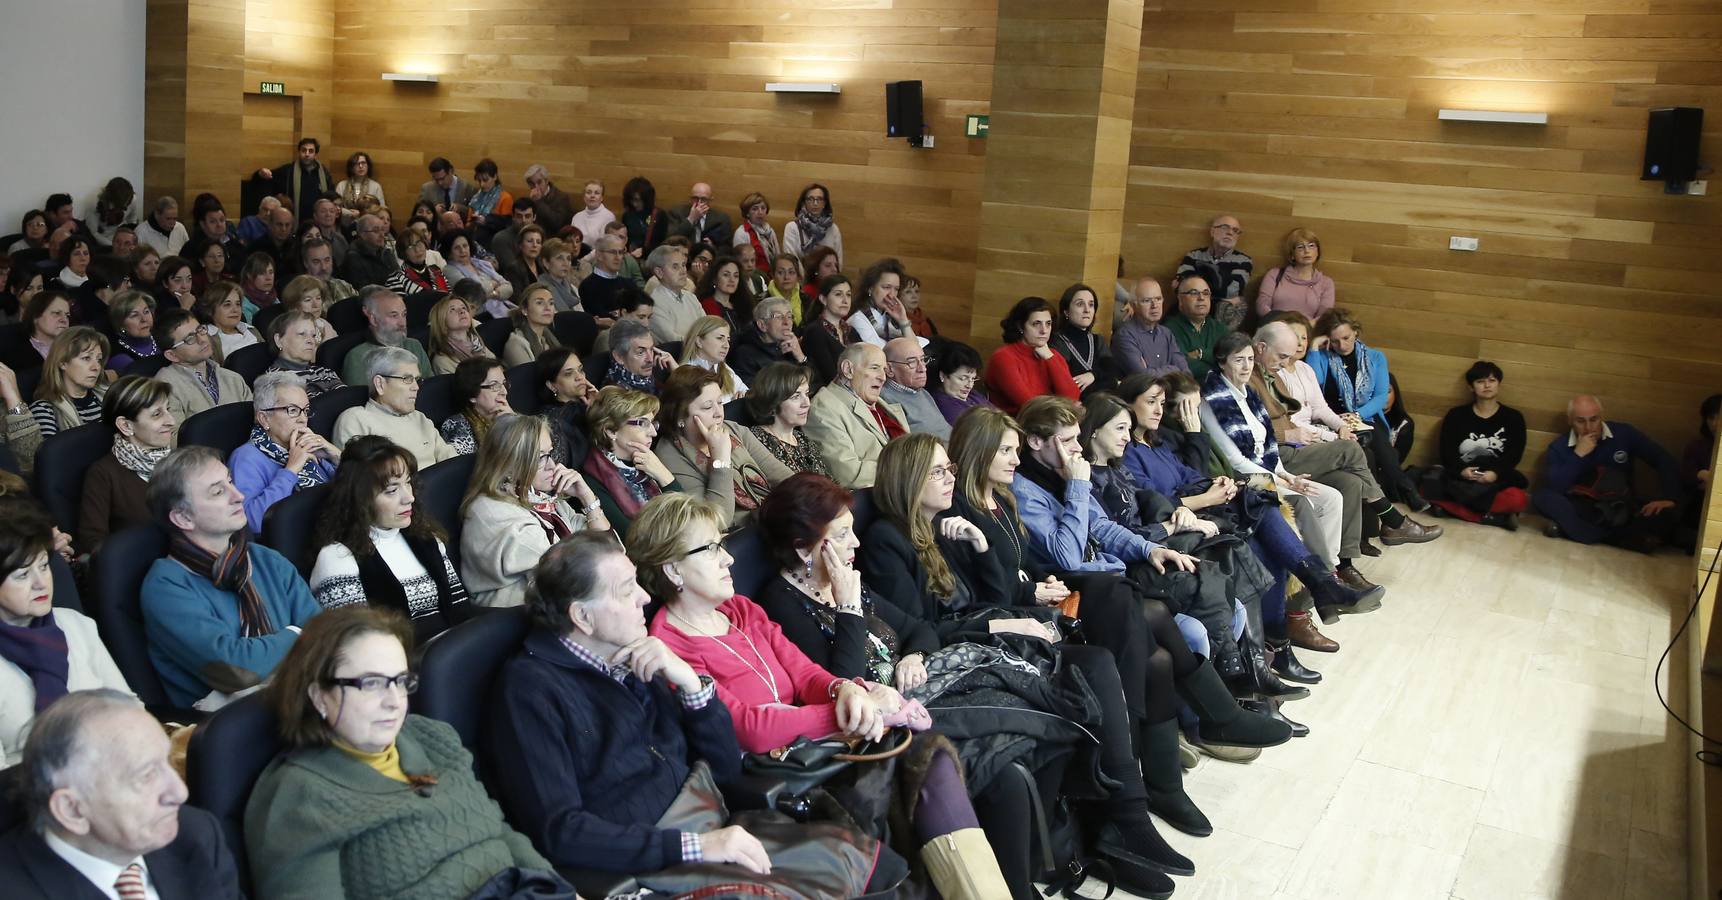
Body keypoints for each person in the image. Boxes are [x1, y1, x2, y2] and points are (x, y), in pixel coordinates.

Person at [485, 534, 904, 896]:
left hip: (713, 824)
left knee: (873, 864)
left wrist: (692, 687)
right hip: (653, 863)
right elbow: (561, 831)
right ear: (582, 616)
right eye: (627, 589)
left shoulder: (637, 656)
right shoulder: (529, 690)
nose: (644, 598)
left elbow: (722, 770)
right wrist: (693, 847)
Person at [636, 494, 1010, 899]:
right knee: (916, 770)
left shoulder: (741, 611)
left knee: (931, 756)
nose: (728, 560)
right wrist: (849, 712)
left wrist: (845, 688)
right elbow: (748, 728)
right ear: (672, 568)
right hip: (778, 777)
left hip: (815, 748)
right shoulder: (669, 646)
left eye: (723, 545)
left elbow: (804, 673)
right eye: (710, 550)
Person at [245, 606, 558, 900]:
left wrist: (558, 889)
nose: (394, 701)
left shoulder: (433, 737)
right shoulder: (300, 797)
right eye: (371, 683)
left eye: (400, 681)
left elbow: (498, 831)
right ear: (319, 696)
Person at [1115, 374, 1380, 657]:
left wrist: (1220, 484)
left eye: (1162, 403)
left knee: (1263, 517)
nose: (1158, 410)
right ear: (1129, 405)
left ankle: (1286, 633)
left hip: (1205, 510)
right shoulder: (1127, 451)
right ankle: (1315, 595)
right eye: (1151, 402)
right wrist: (1206, 497)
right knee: (1262, 522)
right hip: (1179, 528)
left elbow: (1190, 475)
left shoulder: (1157, 443)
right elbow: (1150, 503)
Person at [1205, 330, 1438, 593]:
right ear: (1222, 362)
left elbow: (1273, 438)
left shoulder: (1252, 391)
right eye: (1239, 360)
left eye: (1249, 359)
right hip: (1258, 474)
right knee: (1351, 451)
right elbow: (1238, 458)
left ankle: (1338, 568)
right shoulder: (1214, 400)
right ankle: (1386, 523)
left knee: (1346, 486)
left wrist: (1297, 465)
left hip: (1280, 462)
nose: (1247, 366)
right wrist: (1282, 477)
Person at [1, 690, 242, 900]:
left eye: (166, 761)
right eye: (146, 775)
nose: (180, 792)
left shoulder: (196, 834)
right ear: (72, 810)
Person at [141, 446, 320, 709]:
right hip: (227, 729)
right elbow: (237, 669)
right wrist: (296, 633)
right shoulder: (166, 587)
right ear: (183, 517)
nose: (238, 496)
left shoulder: (266, 560)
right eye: (217, 491)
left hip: (300, 703)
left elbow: (325, 635)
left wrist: (281, 649)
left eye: (231, 482)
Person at [0, 508, 134, 764]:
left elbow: (127, 707)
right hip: (33, 793)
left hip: (112, 767)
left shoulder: (75, 624)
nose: (41, 583)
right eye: (23, 575)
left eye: (43, 566)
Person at [307, 438, 471, 643]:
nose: (409, 497)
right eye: (392, 490)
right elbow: (357, 646)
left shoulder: (426, 538)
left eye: (408, 482)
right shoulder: (337, 559)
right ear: (361, 500)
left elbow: (461, 610)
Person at [462, 414, 608, 607]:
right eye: (540, 458)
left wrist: (587, 497)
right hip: (515, 619)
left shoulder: (539, 496)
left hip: (561, 601)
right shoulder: (492, 513)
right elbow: (572, 575)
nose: (552, 466)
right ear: (508, 465)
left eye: (550, 454)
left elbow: (609, 548)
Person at [1308, 308, 1427, 508]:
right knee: (1367, 455)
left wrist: (1356, 415)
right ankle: (1401, 492)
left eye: (1346, 338)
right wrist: (1313, 347)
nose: (1342, 345)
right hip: (1331, 417)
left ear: (1356, 332)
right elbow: (1314, 381)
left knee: (1377, 438)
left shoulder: (1375, 357)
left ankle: (1405, 489)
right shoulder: (1322, 356)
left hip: (1366, 415)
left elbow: (1381, 396)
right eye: (1335, 341)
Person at [1536, 394, 1684, 551]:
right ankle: (1617, 538)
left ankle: (1574, 531)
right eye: (1580, 421)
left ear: (1602, 417)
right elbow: (1556, 487)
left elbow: (1663, 459)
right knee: (1543, 497)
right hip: (1583, 508)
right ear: (1570, 421)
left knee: (1665, 516)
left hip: (1620, 507)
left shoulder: (1624, 434)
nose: (1588, 427)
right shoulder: (1559, 447)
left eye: (1594, 419)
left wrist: (1669, 498)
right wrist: (1578, 455)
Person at [653, 367, 772, 528]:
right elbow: (718, 522)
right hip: (739, 538)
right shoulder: (669, 456)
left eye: (720, 402)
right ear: (680, 416)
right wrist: (721, 460)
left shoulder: (732, 429)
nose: (719, 413)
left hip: (770, 518)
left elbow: (780, 474)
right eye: (708, 407)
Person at [230, 372, 337, 533]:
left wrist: (335, 455)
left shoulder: (305, 445)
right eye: (292, 410)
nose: (303, 419)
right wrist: (291, 470)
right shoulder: (245, 458)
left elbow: (355, 490)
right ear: (264, 418)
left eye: (305, 410)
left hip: (334, 526)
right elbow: (252, 522)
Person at [78, 377, 175, 553]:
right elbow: (92, 542)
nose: (171, 421)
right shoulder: (103, 474)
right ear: (125, 425)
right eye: (157, 414)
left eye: (167, 409)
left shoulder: (179, 461)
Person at [1428, 361, 1529, 528]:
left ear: (1499, 384)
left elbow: (1514, 454)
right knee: (1428, 485)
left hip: (1494, 479)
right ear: (1471, 387)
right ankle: (1490, 517)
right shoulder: (1456, 415)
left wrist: (1494, 473)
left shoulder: (1514, 418)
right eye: (1480, 381)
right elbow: (1446, 451)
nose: (1487, 385)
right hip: (1462, 477)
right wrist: (1462, 470)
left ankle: (1452, 510)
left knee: (1518, 499)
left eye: (1492, 380)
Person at [335, 347, 457, 470]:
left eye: (417, 380)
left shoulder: (419, 417)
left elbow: (452, 461)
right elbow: (360, 479)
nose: (416, 387)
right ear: (380, 384)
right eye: (407, 379)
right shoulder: (355, 419)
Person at [804, 343, 904, 489]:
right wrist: (907, 469)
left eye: (884, 370)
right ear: (848, 370)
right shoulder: (823, 408)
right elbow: (848, 474)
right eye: (874, 368)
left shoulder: (880, 403)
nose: (883, 378)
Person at [581, 387, 679, 530]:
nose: (653, 433)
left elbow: (691, 514)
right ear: (611, 431)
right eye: (643, 423)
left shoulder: (649, 462)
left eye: (652, 423)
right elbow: (632, 539)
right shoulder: (593, 482)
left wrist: (664, 475)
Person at [152, 308, 253, 437]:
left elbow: (257, 420)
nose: (202, 339)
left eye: (200, 330)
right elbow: (173, 439)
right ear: (172, 355)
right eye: (190, 338)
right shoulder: (165, 387)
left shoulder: (233, 378)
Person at [985, 296, 1080, 416]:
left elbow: (1072, 397)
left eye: (1048, 324)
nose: (1044, 330)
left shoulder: (1052, 355)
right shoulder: (1003, 357)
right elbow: (1029, 404)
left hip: (1051, 423)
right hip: (1013, 426)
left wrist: (1050, 359)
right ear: (1020, 326)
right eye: (1036, 324)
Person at [745, 362, 831, 484]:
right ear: (773, 402)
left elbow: (827, 482)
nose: (806, 403)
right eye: (795, 397)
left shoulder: (802, 439)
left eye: (806, 394)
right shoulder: (755, 440)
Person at [342, 288, 434, 385]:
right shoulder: (357, 357)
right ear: (373, 320)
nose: (402, 323)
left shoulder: (414, 346)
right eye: (394, 316)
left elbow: (430, 388)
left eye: (404, 314)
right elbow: (359, 399)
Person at [1177, 214, 1251, 332]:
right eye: (1224, 227)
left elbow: (1231, 290)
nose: (1230, 233)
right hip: (1193, 308)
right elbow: (1182, 285)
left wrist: (1200, 284)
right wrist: (1218, 285)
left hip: (1221, 314)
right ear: (1212, 231)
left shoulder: (1243, 261)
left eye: (1235, 230)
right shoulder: (1194, 255)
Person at [30, 327, 108, 437]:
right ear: (62, 363)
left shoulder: (110, 396)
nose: (96, 367)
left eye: (99, 359)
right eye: (86, 358)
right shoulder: (44, 410)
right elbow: (52, 454)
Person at [1113, 275, 1190, 377]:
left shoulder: (1167, 333)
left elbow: (1186, 373)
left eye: (1158, 299)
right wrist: (1175, 370)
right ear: (1133, 305)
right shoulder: (1124, 336)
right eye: (1147, 300)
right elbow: (1144, 377)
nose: (1154, 305)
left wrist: (1156, 371)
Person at [1052, 282, 1118, 395]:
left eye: (1091, 305)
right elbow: (1070, 384)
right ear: (1066, 311)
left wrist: (1093, 375)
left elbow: (1112, 372)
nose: (1087, 310)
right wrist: (1105, 380)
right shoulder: (1058, 341)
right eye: (1080, 304)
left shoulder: (1097, 340)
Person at [1255, 227, 1334, 321]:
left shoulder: (1326, 282)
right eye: (1300, 247)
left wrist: (1303, 328)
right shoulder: (1274, 274)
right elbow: (1262, 305)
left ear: (1317, 252)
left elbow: (1324, 316)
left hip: (1307, 331)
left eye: (1311, 246)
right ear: (1292, 254)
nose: (1307, 251)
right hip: (1275, 327)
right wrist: (1279, 323)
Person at [538, 347, 597, 468]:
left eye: (580, 370)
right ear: (552, 385)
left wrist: (598, 407)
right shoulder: (553, 421)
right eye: (569, 374)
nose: (580, 377)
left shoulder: (587, 406)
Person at [881, 336, 950, 440]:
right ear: (889, 369)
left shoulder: (921, 392)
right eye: (912, 362)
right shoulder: (886, 401)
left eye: (923, 360)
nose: (922, 369)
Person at [439, 358, 513, 454]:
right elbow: (466, 466)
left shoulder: (508, 414)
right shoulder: (457, 425)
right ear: (472, 394)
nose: (504, 392)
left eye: (504, 384)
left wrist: (514, 423)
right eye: (494, 386)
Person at [264, 310, 345, 398]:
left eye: (313, 335)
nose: (311, 341)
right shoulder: (273, 382)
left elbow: (347, 400)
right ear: (279, 340)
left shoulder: (325, 372)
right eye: (302, 334)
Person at [254, 136, 335, 224]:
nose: (307, 154)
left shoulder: (324, 173)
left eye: (310, 151)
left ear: (315, 154)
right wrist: (261, 173)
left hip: (318, 222)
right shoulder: (288, 171)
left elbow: (331, 196)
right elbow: (267, 177)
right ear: (299, 152)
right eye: (304, 150)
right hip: (295, 221)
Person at [1165, 271, 1229, 381]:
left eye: (1206, 293)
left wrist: (1200, 354)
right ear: (1180, 299)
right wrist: (1217, 366)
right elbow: (1185, 367)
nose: (1201, 298)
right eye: (1194, 293)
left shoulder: (1220, 328)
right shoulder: (1169, 329)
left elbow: (1230, 360)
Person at [728, 296, 806, 385]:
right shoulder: (744, 356)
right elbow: (758, 394)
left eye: (789, 316)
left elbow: (815, 384)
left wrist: (800, 357)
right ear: (762, 325)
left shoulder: (792, 346)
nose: (786, 322)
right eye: (778, 316)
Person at [800, 272, 856, 386]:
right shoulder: (815, 331)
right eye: (838, 294)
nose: (845, 300)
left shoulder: (850, 330)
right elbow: (829, 376)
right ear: (823, 299)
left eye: (848, 295)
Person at [847, 258, 916, 348]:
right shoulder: (858, 319)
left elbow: (915, 349)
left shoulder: (891, 319)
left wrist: (903, 319)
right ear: (870, 288)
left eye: (896, 289)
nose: (892, 295)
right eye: (886, 287)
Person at [645, 243, 704, 345]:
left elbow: (707, 327)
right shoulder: (654, 303)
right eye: (675, 267)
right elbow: (673, 341)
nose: (683, 271)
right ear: (659, 272)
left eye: (683, 265)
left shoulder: (691, 297)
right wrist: (704, 343)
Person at [0, 290, 73, 372]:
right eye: (56, 313)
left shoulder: (75, 348)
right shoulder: (12, 352)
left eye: (67, 315)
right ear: (35, 316)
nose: (64, 320)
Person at [441, 229, 514, 308]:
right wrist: (493, 284)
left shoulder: (482, 264)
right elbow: (473, 293)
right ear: (449, 252)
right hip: (480, 314)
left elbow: (509, 287)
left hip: (503, 307)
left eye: (465, 246)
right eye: (456, 248)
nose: (462, 250)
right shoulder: (449, 270)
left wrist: (494, 294)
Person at [596, 318, 672, 394]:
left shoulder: (648, 381)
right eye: (641, 352)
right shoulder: (617, 395)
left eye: (651, 349)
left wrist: (676, 372)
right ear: (619, 357)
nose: (650, 359)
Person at [929, 342, 996, 425]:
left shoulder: (971, 394)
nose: (970, 385)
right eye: (963, 378)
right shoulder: (947, 407)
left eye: (973, 379)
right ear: (943, 375)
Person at [1683, 394, 1719, 537]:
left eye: (1720, 417)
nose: (1715, 423)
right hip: (1700, 505)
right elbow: (1686, 480)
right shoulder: (1697, 446)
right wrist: (1700, 475)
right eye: (1711, 418)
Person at [199, 281, 264, 360]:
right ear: (210, 310)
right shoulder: (206, 337)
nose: (235, 310)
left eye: (238, 304)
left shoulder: (251, 329)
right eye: (227, 305)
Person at [782, 182, 842, 266]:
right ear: (803, 203)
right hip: (801, 277)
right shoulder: (792, 227)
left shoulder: (833, 229)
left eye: (820, 199)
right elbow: (791, 260)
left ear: (824, 203)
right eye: (810, 199)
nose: (815, 203)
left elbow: (838, 261)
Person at [502, 284, 562, 367]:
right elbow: (529, 378)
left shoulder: (547, 338)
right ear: (524, 310)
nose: (547, 307)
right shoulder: (516, 344)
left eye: (551, 303)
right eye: (539, 303)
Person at [695, 254, 754, 332]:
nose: (732, 280)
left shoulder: (742, 304)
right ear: (714, 279)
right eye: (726, 275)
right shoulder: (708, 304)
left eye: (736, 276)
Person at [579, 233, 631, 321]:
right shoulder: (588, 286)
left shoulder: (629, 284)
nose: (618, 257)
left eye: (621, 252)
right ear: (599, 255)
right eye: (613, 252)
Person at [341, 214, 403, 289]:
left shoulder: (386, 252)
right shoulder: (353, 258)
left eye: (382, 230)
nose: (382, 235)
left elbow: (400, 277)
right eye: (376, 231)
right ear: (362, 234)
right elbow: (365, 290)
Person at [105, 290, 157, 375]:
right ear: (121, 324)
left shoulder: (163, 337)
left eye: (146, 312)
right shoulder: (119, 358)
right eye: (134, 315)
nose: (144, 319)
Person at [668, 182, 733, 247]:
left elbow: (726, 248)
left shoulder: (721, 219)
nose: (699, 202)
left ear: (710, 200)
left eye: (703, 199)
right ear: (690, 199)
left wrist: (713, 248)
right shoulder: (676, 213)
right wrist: (691, 219)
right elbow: (670, 241)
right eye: (695, 198)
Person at [278, 273, 338, 342]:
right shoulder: (292, 332)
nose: (315, 305)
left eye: (318, 298)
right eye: (308, 300)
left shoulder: (324, 323)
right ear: (294, 306)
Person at [300, 236, 358, 304]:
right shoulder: (300, 294)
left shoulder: (343, 285)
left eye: (327, 260)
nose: (323, 267)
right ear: (306, 263)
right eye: (316, 262)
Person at [390, 231, 448, 296]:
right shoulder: (396, 278)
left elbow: (449, 296)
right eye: (410, 247)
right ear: (403, 252)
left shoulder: (436, 270)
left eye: (418, 243)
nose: (417, 250)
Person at [731, 190, 779, 270]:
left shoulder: (769, 231)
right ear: (747, 213)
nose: (760, 212)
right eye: (755, 209)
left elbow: (777, 256)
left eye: (763, 208)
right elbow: (740, 263)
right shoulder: (742, 233)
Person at [622, 177, 670, 255]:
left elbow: (663, 243)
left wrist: (644, 251)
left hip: (651, 258)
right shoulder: (627, 215)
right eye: (632, 200)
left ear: (646, 198)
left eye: (637, 200)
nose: (634, 204)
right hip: (630, 256)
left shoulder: (659, 215)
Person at [523, 164, 575, 230]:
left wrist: (539, 202)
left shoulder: (562, 198)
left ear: (546, 181)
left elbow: (558, 223)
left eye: (539, 182)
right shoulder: (531, 197)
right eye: (532, 184)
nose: (536, 187)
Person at [537, 237, 583, 311]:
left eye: (568, 259)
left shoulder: (573, 288)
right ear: (546, 263)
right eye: (559, 258)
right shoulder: (540, 291)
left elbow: (581, 314)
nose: (566, 263)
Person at [500, 224, 547, 296]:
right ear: (520, 245)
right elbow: (518, 299)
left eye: (538, 242)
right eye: (530, 241)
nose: (534, 245)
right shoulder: (514, 269)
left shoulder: (542, 267)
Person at [335, 150, 385, 216]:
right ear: (351, 167)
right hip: (345, 222)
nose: (361, 166)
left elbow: (381, 209)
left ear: (368, 166)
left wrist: (360, 214)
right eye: (357, 164)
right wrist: (350, 213)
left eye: (363, 163)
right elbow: (336, 207)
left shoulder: (376, 186)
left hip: (368, 222)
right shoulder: (341, 185)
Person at [571, 180, 616, 245]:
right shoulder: (577, 217)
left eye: (596, 193)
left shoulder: (609, 217)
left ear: (602, 198)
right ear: (584, 197)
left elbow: (605, 245)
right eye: (588, 192)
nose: (592, 196)